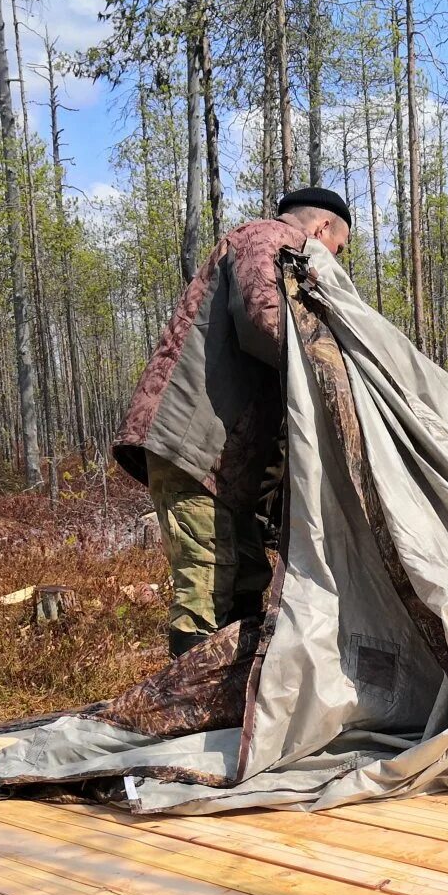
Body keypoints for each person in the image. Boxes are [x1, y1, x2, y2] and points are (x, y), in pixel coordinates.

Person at [114, 188, 353, 657]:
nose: (335, 262)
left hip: (222, 463)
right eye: (338, 250)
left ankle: (230, 705)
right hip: (194, 448)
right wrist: (338, 367)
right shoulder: (265, 237)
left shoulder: (269, 244)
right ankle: (189, 714)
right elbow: (263, 317)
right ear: (322, 229)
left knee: (246, 575)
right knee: (207, 587)